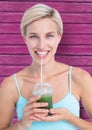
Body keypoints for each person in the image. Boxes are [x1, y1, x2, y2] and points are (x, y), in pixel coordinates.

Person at [0, 3, 92, 130]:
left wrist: (70, 118)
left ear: (59, 37)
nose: (41, 45)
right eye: (33, 36)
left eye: (49, 36)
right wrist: (21, 125)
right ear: (25, 39)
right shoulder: (11, 84)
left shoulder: (79, 78)